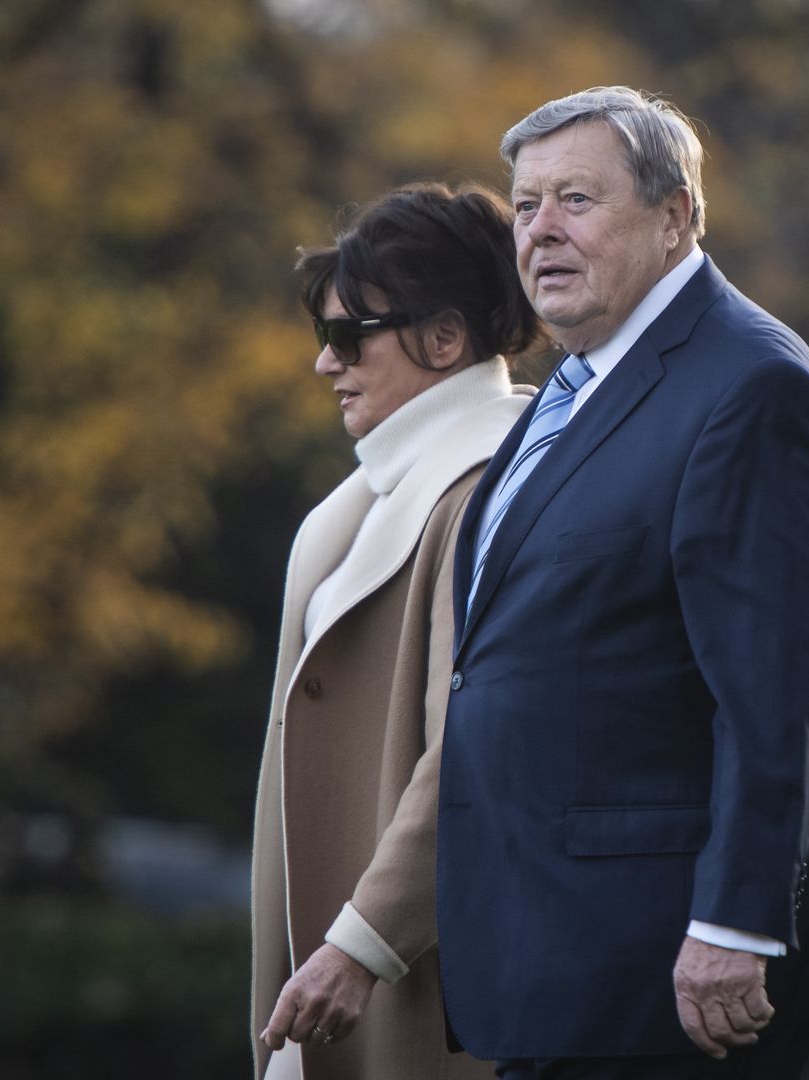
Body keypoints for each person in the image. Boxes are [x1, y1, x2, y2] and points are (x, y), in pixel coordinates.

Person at [435, 87, 809, 1079]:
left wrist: (738, 918)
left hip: (672, 958)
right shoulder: (578, 379)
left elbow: (777, 690)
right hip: (560, 939)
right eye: (524, 206)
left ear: (677, 215)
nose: (540, 231)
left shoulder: (748, 386)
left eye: (576, 200)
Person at [251, 181, 541, 1080]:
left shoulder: (493, 487)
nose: (324, 365)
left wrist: (363, 941)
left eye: (348, 337)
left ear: (445, 338)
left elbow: (474, 750)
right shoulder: (383, 494)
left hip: (416, 986)